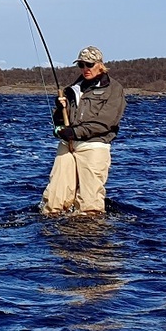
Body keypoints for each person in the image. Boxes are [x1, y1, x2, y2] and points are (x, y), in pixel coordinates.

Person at [41, 46, 126, 215]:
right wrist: (60, 110)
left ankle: (88, 229)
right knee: (54, 199)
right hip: (68, 145)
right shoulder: (72, 89)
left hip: (94, 146)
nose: (85, 68)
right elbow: (59, 121)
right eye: (81, 65)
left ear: (100, 65)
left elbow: (105, 123)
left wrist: (75, 132)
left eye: (89, 64)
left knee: (90, 203)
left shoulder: (114, 89)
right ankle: (52, 227)